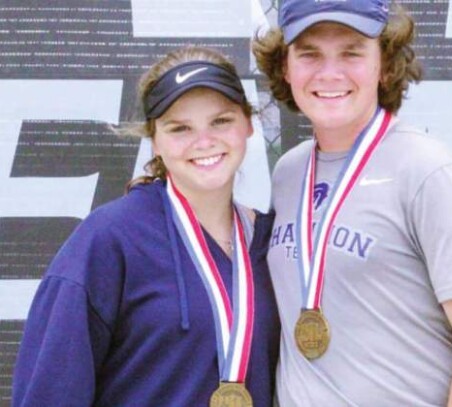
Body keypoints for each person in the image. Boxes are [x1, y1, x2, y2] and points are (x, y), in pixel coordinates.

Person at [253, 0, 452, 406]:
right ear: (286, 68)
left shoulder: (428, 172)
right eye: (309, 54)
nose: (330, 72)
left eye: (351, 52)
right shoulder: (290, 172)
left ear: (385, 64)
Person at [12, 46, 280, 407]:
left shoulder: (271, 242)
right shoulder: (109, 240)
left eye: (221, 120)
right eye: (180, 128)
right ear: (155, 139)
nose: (204, 141)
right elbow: (50, 393)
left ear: (248, 123)